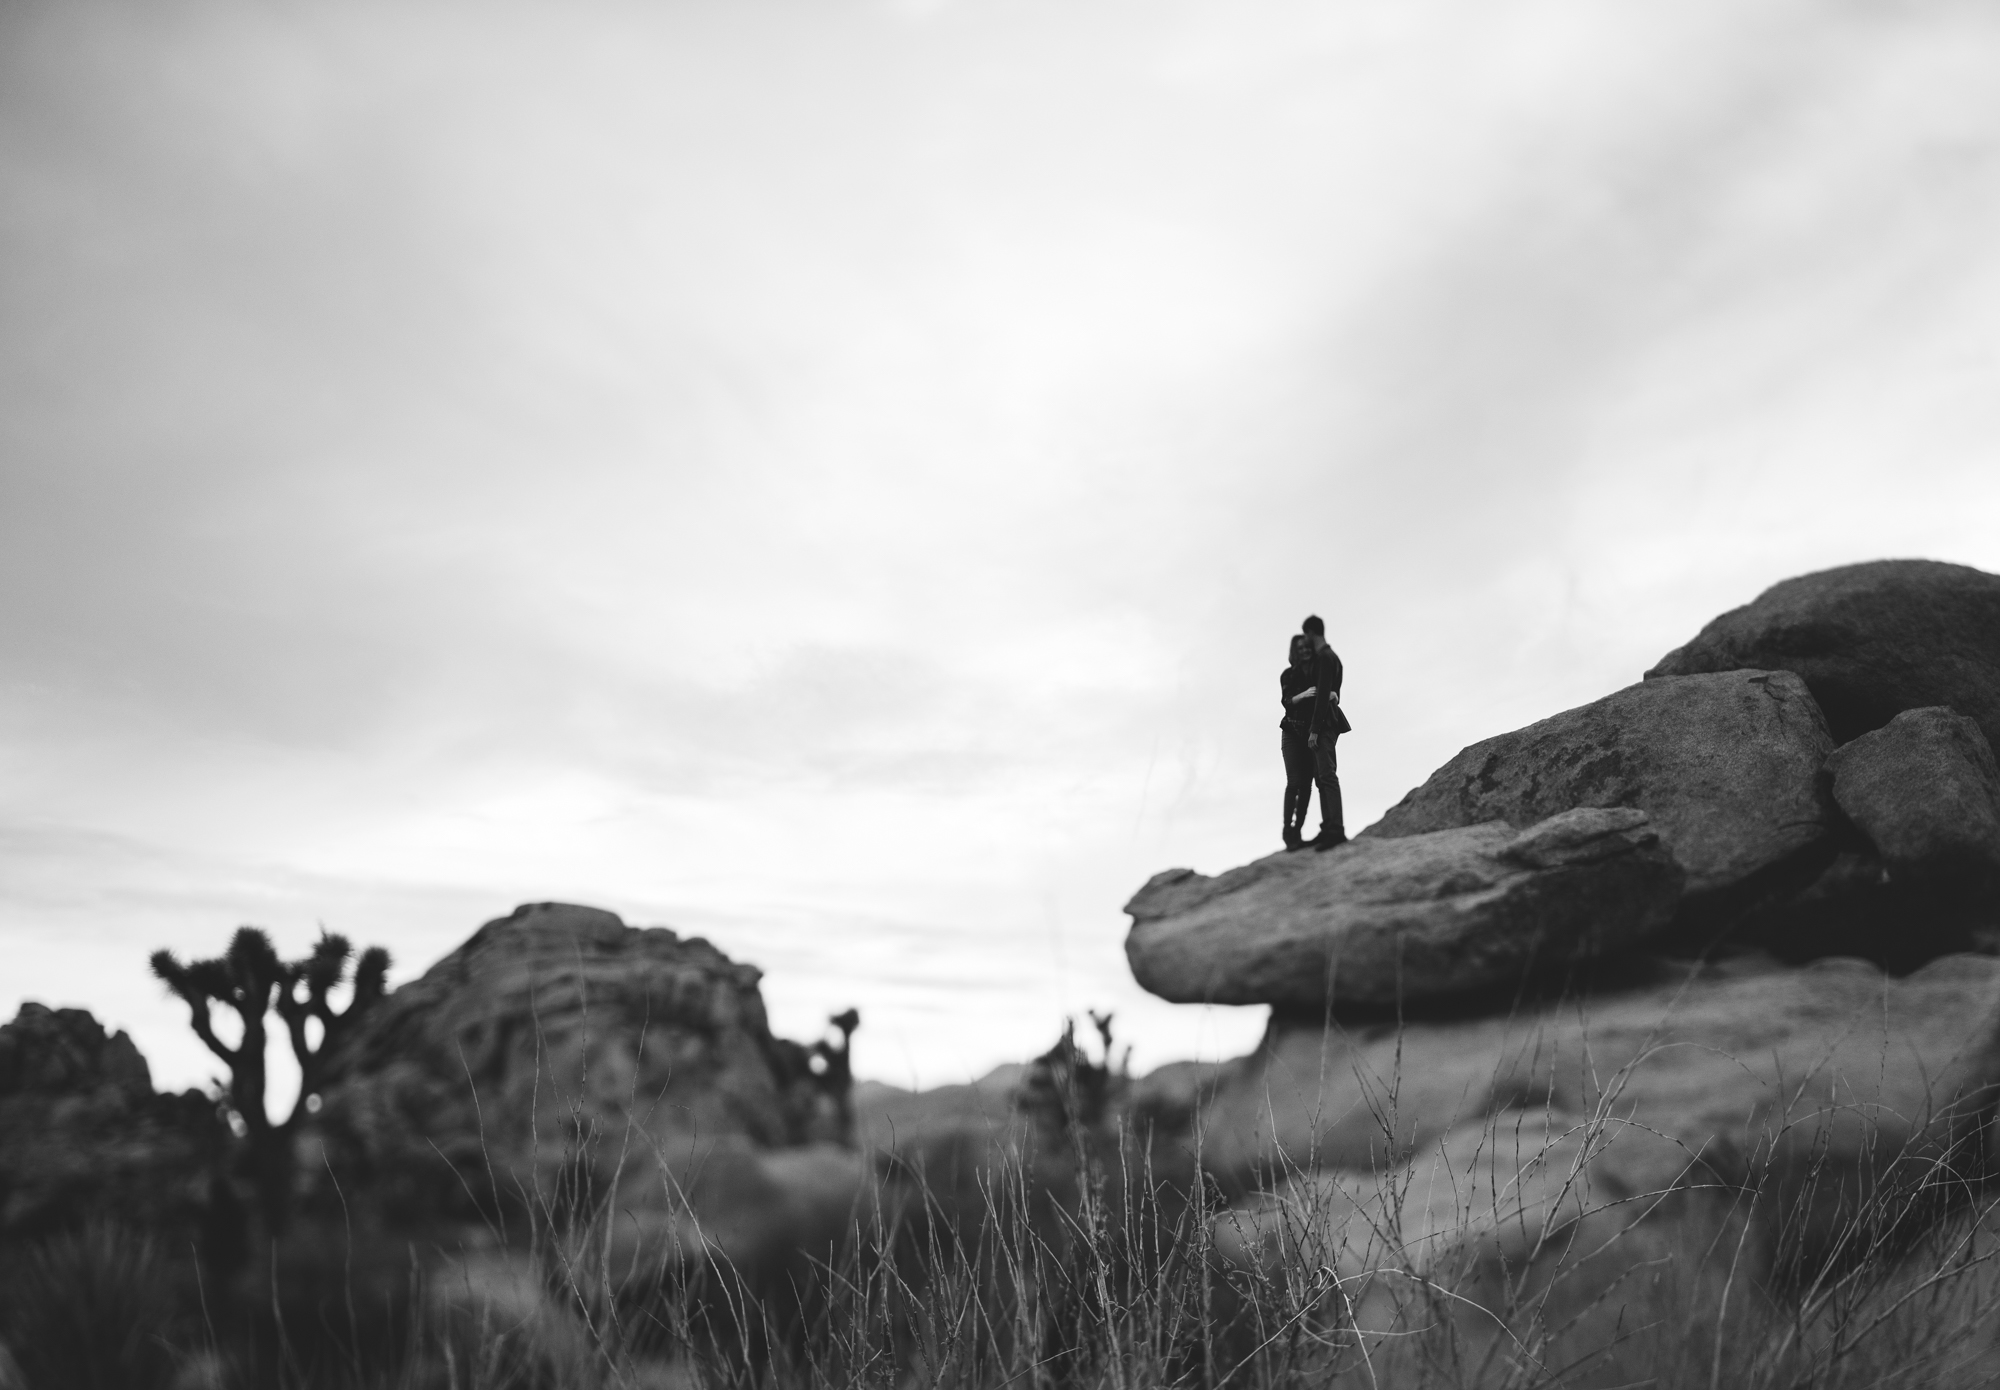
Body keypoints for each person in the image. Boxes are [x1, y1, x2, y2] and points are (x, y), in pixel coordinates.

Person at [1302, 614, 1351, 849]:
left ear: (1312, 633)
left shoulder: (1325, 658)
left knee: (1327, 777)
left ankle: (1335, 831)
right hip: (1328, 722)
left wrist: (1314, 729)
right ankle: (1328, 826)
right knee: (1322, 777)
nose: (1305, 640)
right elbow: (1334, 693)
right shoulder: (1334, 658)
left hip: (1324, 724)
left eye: (1306, 635)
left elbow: (1324, 695)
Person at [1279, 634, 1317, 849]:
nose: (1304, 650)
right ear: (1295, 650)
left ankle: (1297, 831)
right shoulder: (1289, 674)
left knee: (1307, 785)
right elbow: (1286, 702)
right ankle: (1288, 830)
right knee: (1294, 782)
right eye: (1300, 647)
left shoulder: (1316, 672)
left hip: (1312, 733)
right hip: (1292, 731)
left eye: (1307, 646)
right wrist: (1303, 695)